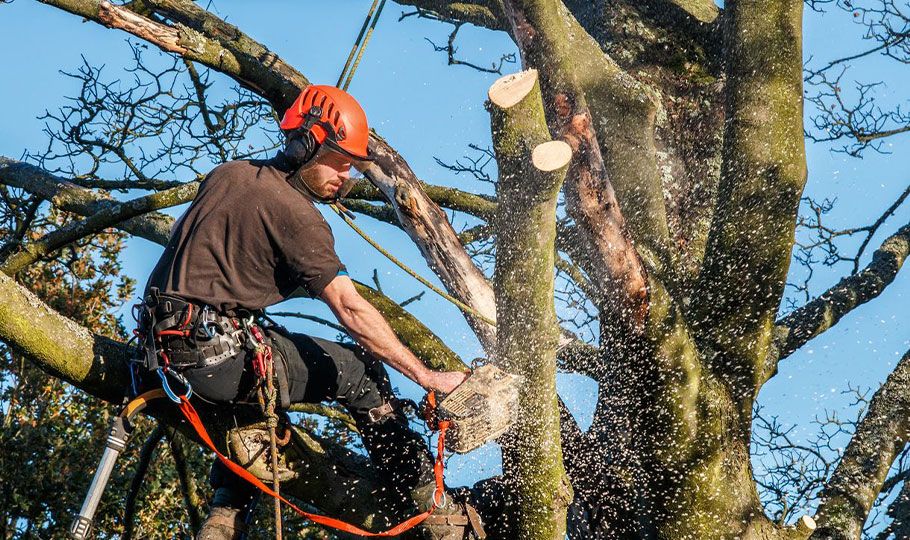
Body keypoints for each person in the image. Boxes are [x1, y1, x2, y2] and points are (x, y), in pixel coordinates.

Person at [138, 85, 481, 539]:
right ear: (307, 145)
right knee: (359, 371)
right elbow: (350, 308)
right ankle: (430, 508)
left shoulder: (228, 175)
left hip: (155, 356)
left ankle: (226, 513)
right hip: (213, 361)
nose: (346, 176)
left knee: (264, 373)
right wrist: (427, 377)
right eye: (339, 162)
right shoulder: (297, 215)